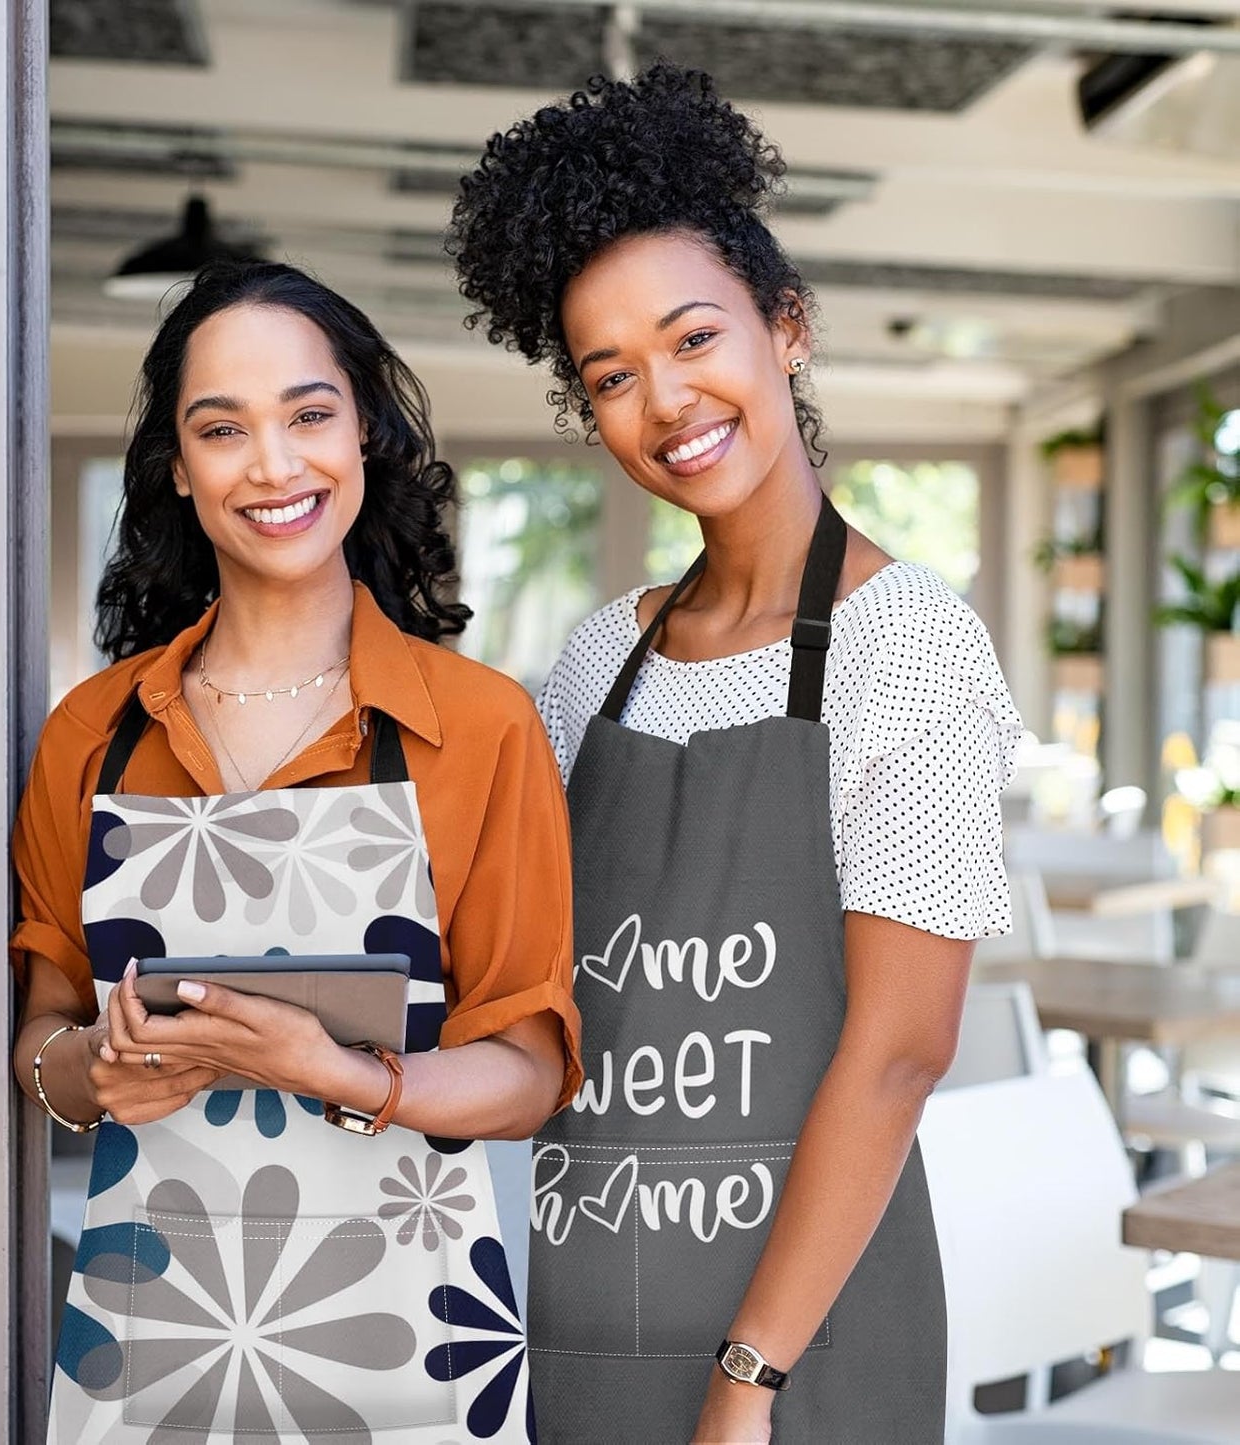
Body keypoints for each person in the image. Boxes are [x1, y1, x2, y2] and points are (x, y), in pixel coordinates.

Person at [449, 63, 1023, 1444]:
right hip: (583, 1313)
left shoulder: (912, 649)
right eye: (612, 376)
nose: (666, 399)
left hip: (798, 1350)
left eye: (695, 337)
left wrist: (745, 1380)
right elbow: (524, 979)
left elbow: (899, 1053)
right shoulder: (598, 660)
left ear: (787, 327)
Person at [9, 259, 580, 1444]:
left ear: (363, 432)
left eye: (309, 415)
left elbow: (527, 1066)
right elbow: (43, 1027)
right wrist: (84, 1072)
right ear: (180, 467)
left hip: (414, 1346)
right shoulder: (92, 733)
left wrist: (338, 1071)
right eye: (224, 429)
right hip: (145, 1344)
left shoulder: (476, 727)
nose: (273, 465)